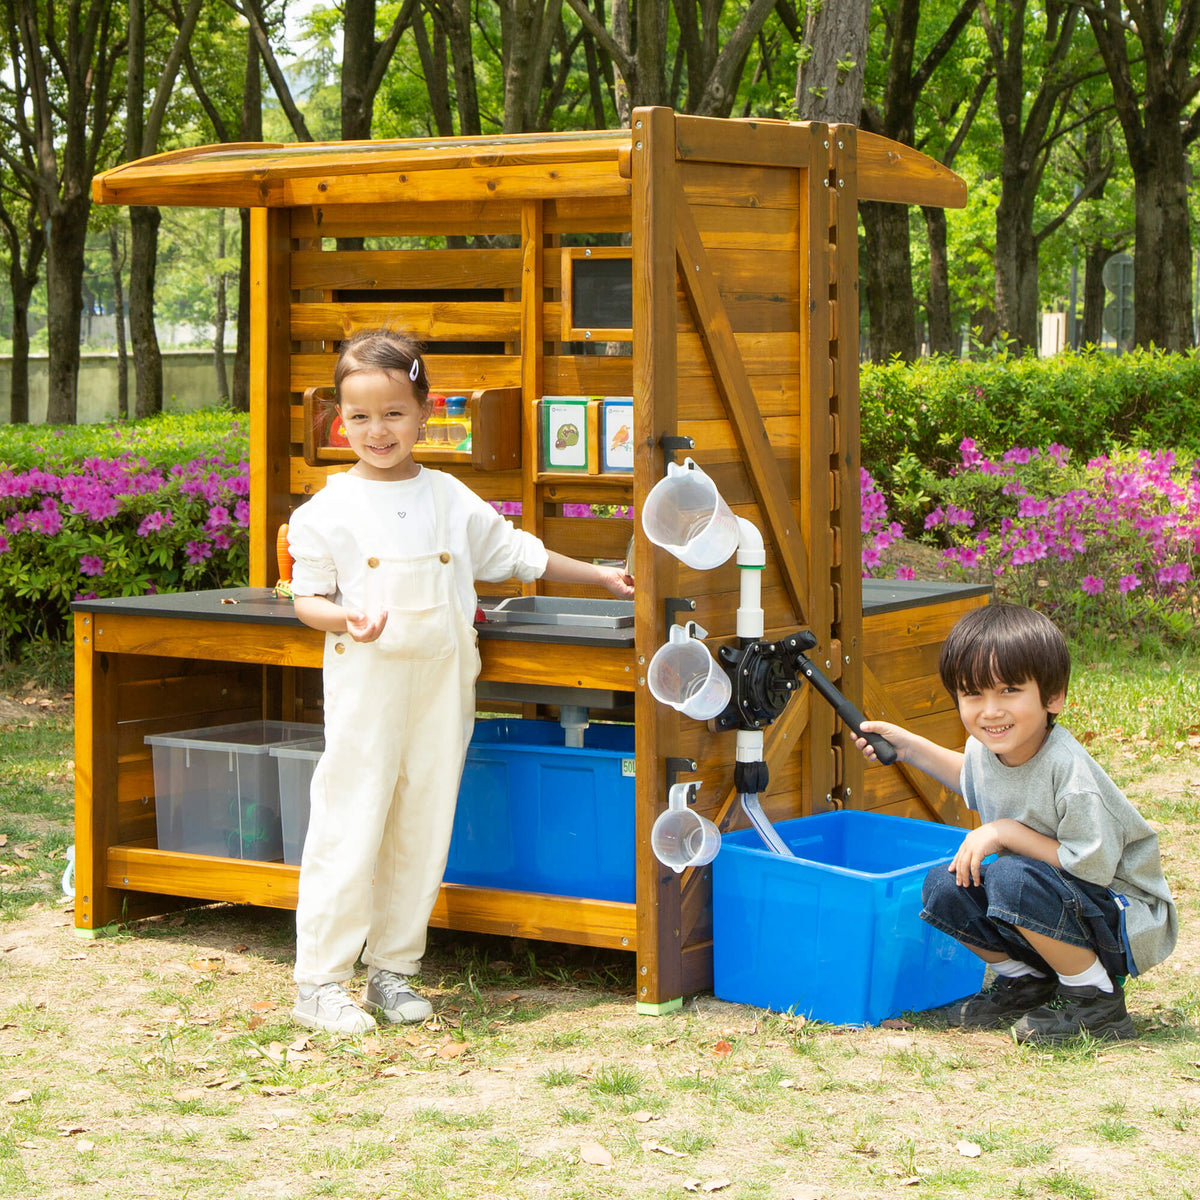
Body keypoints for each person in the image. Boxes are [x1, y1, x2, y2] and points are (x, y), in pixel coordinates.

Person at [286, 329, 635, 1035]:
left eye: (392, 413)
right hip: (367, 690)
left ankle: (392, 970)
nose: (376, 430)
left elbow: (516, 552)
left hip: (445, 687)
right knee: (350, 824)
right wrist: (345, 618)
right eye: (358, 416)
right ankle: (320, 981)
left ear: (423, 412)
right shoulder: (325, 510)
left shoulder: (448, 496)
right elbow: (305, 598)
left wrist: (600, 575)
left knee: (423, 822)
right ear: (337, 421)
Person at [856, 603, 1176, 1044]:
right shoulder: (992, 752)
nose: (990, 711)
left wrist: (1005, 832)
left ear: (1053, 697)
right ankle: (1025, 982)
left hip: (1124, 917)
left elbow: (1092, 867)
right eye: (973, 694)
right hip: (1062, 901)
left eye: (1009, 690)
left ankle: (1097, 1000)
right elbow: (966, 774)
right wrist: (909, 747)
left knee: (1009, 875)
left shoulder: (1069, 774)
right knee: (945, 885)